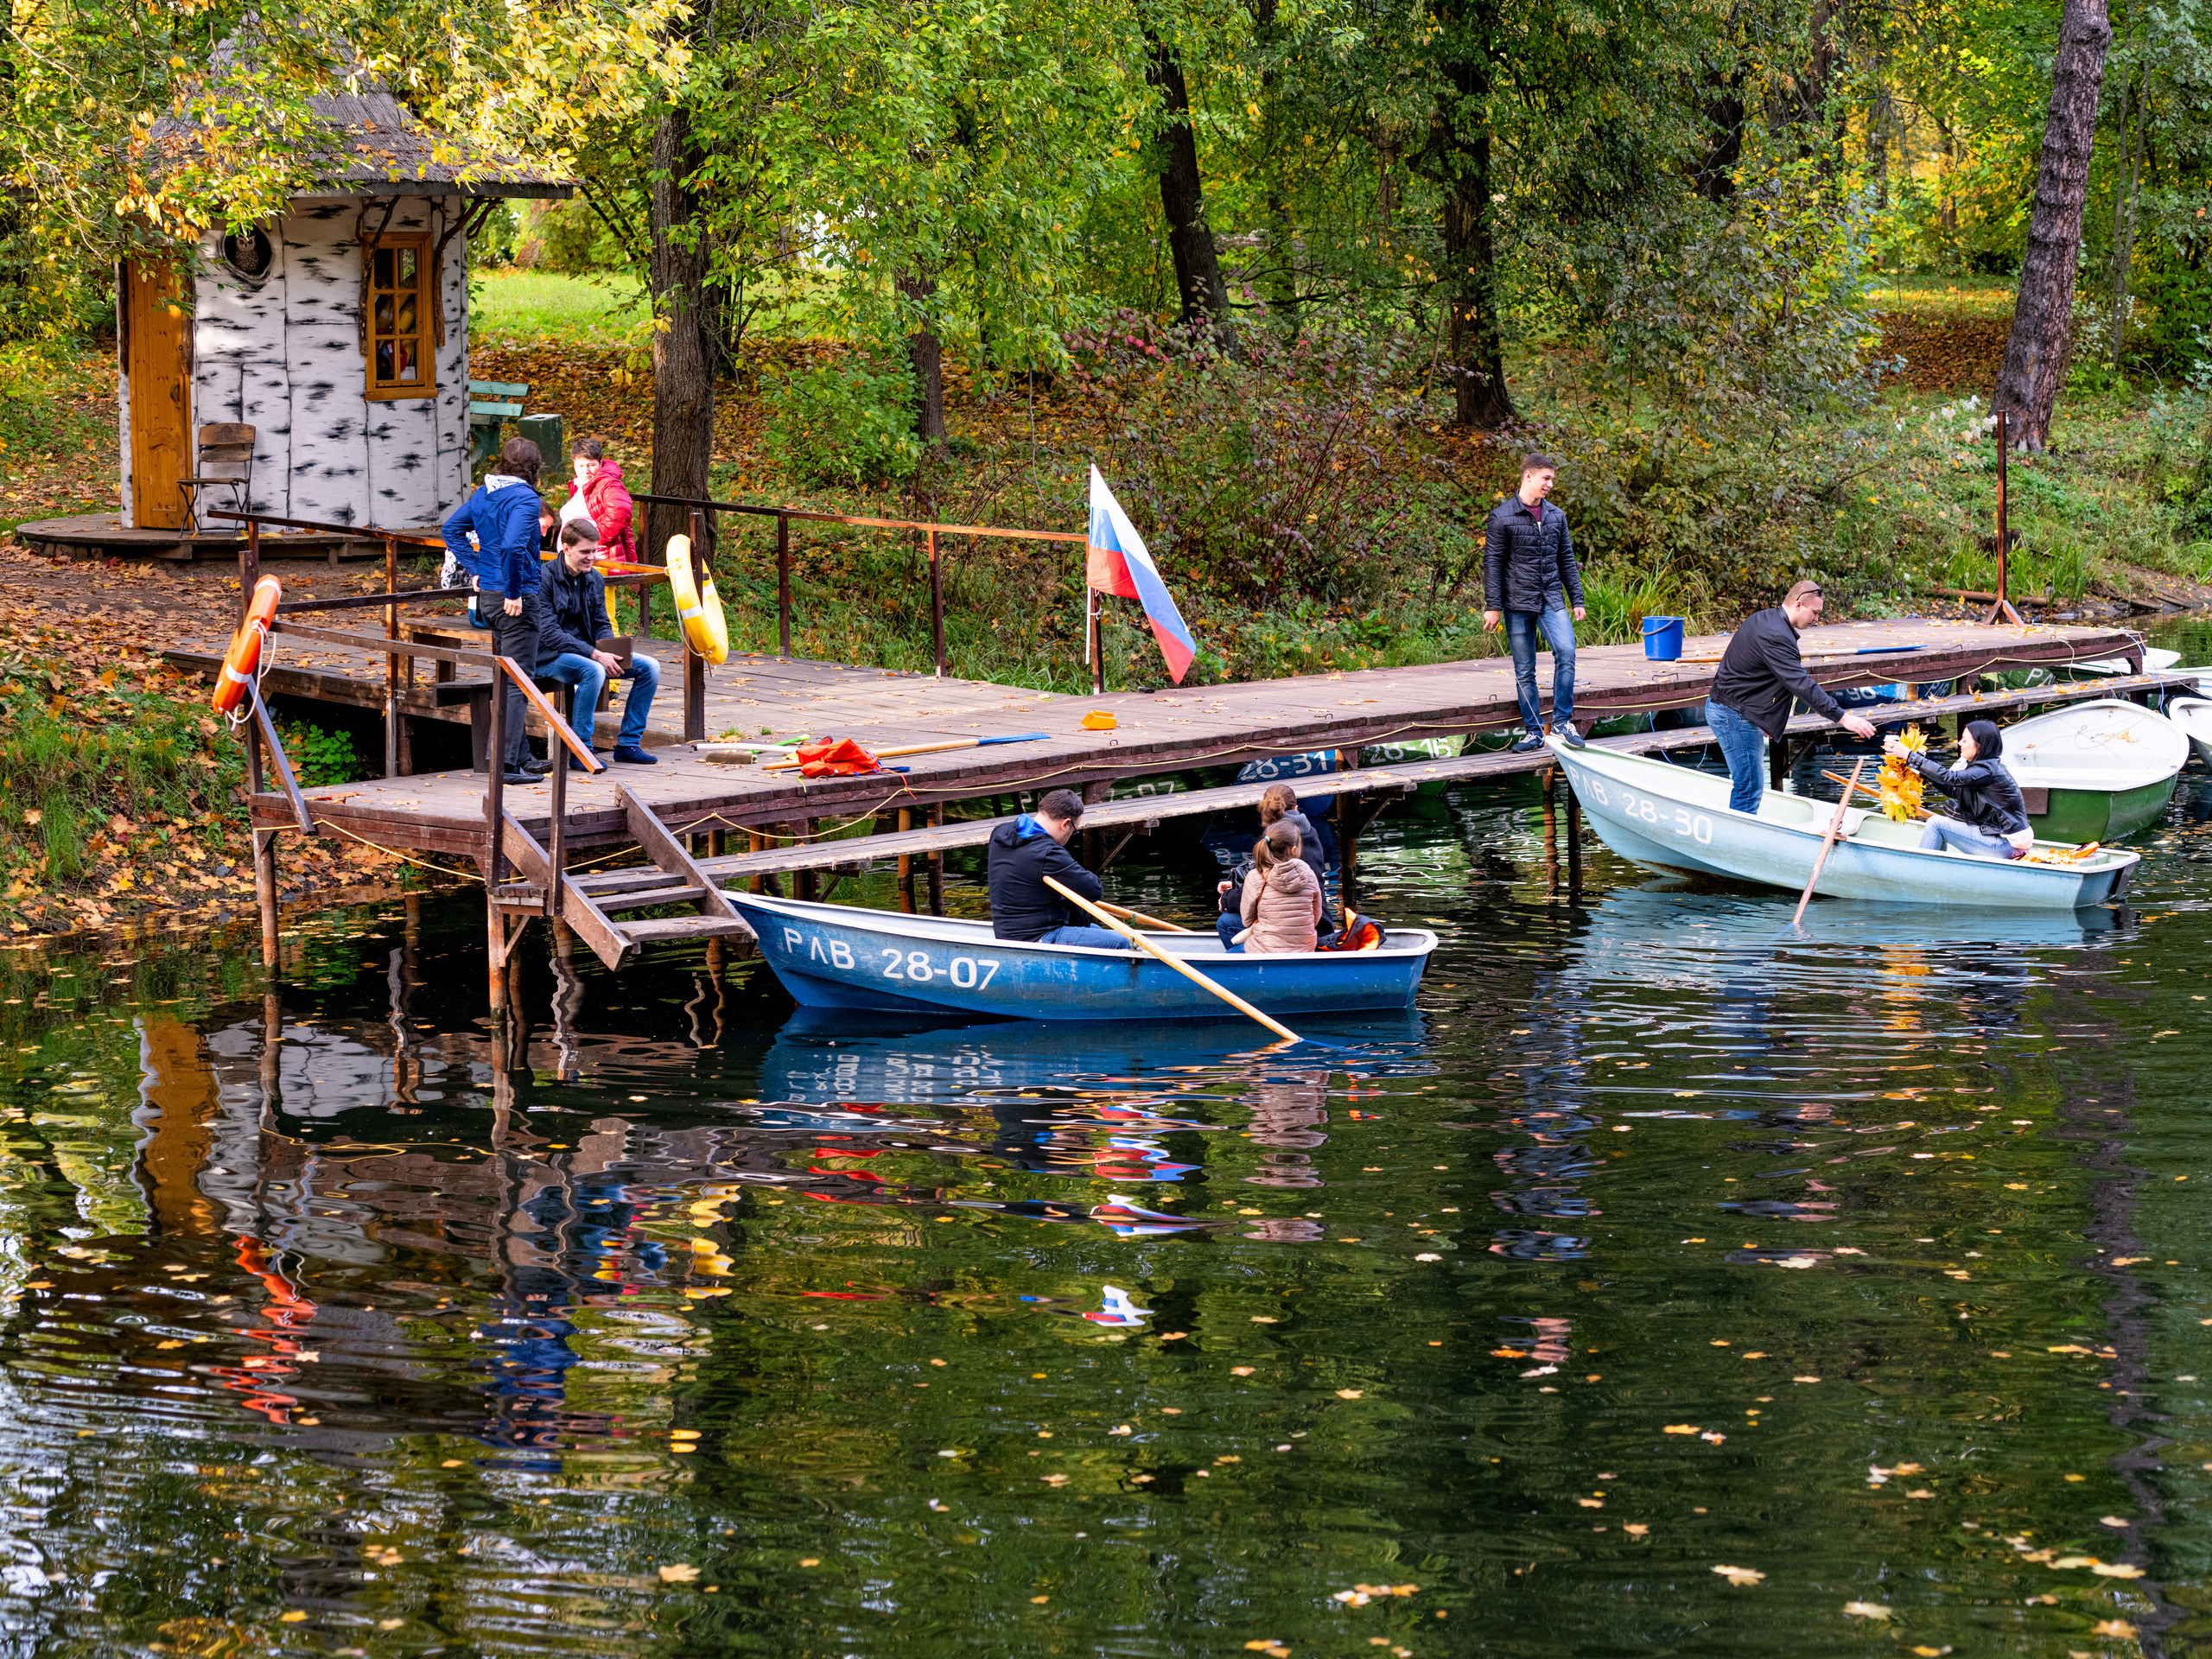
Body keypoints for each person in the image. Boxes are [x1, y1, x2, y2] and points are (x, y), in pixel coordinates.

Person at [1706, 579, 1878, 814]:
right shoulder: (1776, 635)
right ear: (1799, 605)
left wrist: (1765, 717)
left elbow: (1759, 677)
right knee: (1749, 786)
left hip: (1736, 709)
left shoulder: (1766, 619)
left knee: (1749, 784)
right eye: (1815, 612)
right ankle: (1739, 839)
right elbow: (1800, 684)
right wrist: (1842, 718)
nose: (1817, 618)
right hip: (1732, 715)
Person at [442, 438, 548, 785]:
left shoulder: (483, 493)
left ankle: (519, 757)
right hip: (514, 597)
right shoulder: (526, 499)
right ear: (534, 468)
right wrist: (514, 591)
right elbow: (514, 546)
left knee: (509, 676)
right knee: (519, 681)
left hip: (488, 594)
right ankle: (504, 765)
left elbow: (452, 530)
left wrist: (476, 569)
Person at [537, 519, 662, 766]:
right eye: (585, 552)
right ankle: (580, 750)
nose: (591, 557)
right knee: (592, 669)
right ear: (566, 548)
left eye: (594, 551)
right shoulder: (544, 578)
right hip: (548, 655)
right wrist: (595, 654)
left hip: (587, 651)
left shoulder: (594, 578)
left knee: (650, 667)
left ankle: (628, 744)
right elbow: (549, 633)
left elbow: (601, 621)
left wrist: (610, 651)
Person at [1484, 453, 1587, 753]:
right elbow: (1493, 564)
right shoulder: (1502, 517)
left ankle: (1562, 722)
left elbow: (1566, 559)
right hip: (1516, 601)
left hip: (1551, 596)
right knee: (1524, 669)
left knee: (1566, 652)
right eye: (1546, 478)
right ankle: (1532, 732)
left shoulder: (1556, 516)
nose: (1550, 484)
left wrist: (1576, 598)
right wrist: (1493, 606)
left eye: (1552, 478)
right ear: (1528, 477)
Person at [986, 789, 1131, 948]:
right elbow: (1094, 889)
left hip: (1006, 933)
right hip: (1037, 938)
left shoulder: (1000, 832)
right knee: (1123, 942)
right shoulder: (1048, 853)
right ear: (1065, 824)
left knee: (1096, 929)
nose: (1072, 835)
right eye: (1075, 831)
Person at [1888, 719, 2033, 860]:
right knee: (1940, 825)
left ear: (1980, 745)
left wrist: (1910, 756)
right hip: (2002, 841)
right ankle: (1934, 866)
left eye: (1964, 740)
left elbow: (1951, 778)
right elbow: (1954, 790)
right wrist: (1924, 772)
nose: (1959, 743)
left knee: (1936, 824)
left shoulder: (1987, 770)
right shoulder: (1985, 768)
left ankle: (1921, 868)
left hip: (2005, 846)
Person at [1217, 783, 1335, 946]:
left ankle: (1251, 966)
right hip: (1319, 927)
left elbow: (1259, 894)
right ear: (1296, 807)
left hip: (1291, 933)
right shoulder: (1311, 834)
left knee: (1225, 922)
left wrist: (1225, 900)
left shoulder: (1275, 843)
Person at [1239, 823, 1324, 954]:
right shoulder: (1310, 875)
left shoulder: (1255, 876)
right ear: (1293, 850)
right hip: (1305, 951)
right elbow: (1315, 918)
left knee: (1225, 924)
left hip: (1265, 951)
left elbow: (1247, 921)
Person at [563, 438, 638, 563]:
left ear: (600, 463)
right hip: (574, 559)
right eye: (580, 466)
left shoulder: (608, 484)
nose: (585, 471)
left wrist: (593, 540)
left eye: (591, 465)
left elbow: (620, 513)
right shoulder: (578, 483)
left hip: (596, 560)